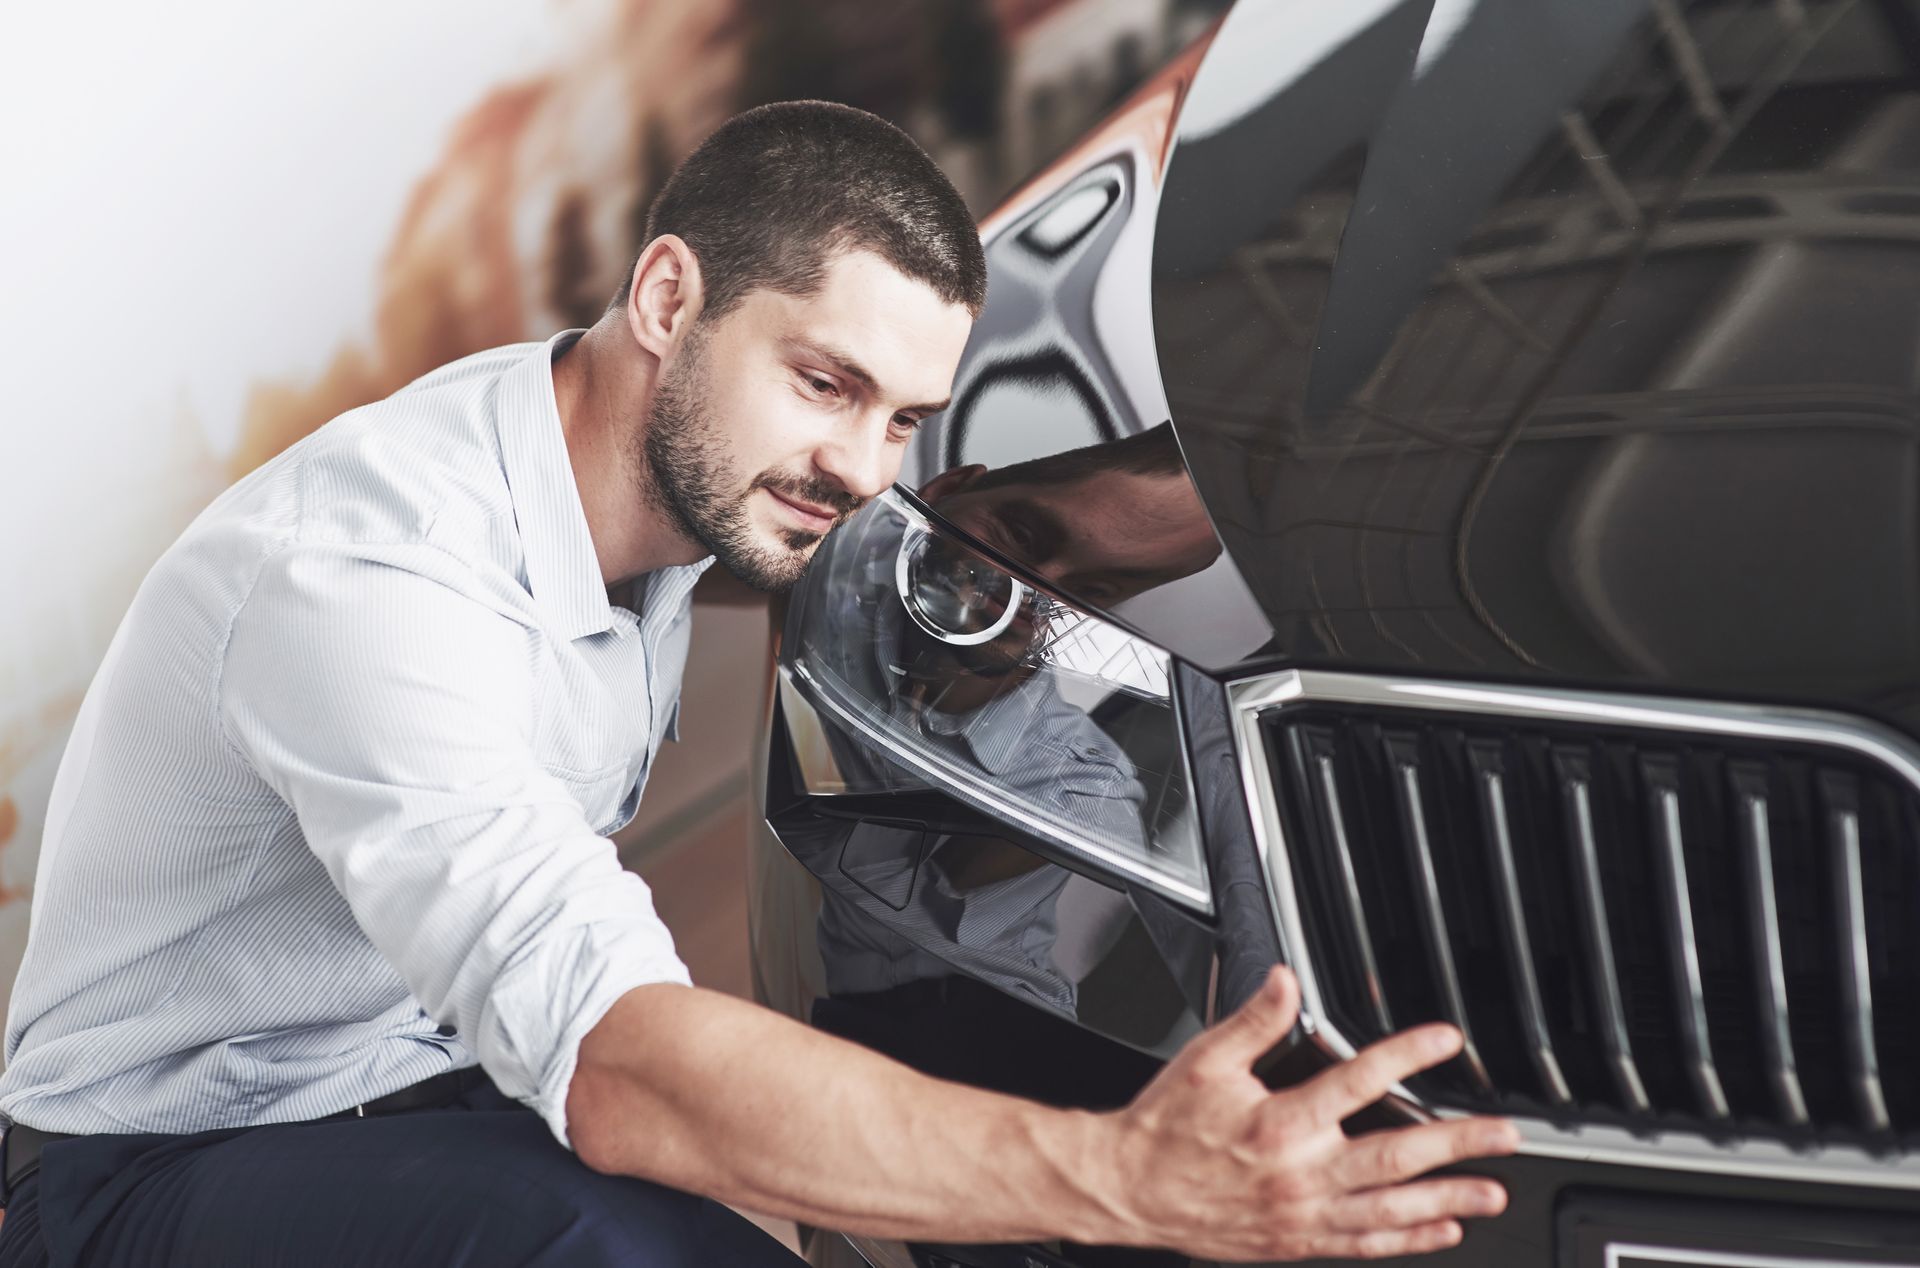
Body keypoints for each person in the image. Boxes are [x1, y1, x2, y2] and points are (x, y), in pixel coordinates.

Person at [0, 101, 1518, 1266]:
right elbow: (617, 1063)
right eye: (825, 383)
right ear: (669, 299)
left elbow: (1023, 531)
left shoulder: (659, 471)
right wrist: (1131, 1179)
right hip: (161, 1156)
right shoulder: (369, 582)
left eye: (901, 416)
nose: (861, 469)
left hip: (427, 1067)